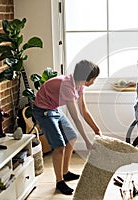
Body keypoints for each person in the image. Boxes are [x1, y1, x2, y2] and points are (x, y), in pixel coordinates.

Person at [32, 60, 101, 195]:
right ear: (87, 78)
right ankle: (59, 182)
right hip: (43, 111)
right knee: (59, 146)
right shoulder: (67, 87)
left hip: (54, 109)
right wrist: (87, 141)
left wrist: (96, 130)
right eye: (94, 78)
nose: (94, 81)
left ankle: (66, 172)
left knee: (72, 137)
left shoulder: (79, 84)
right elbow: (76, 119)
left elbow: (83, 111)